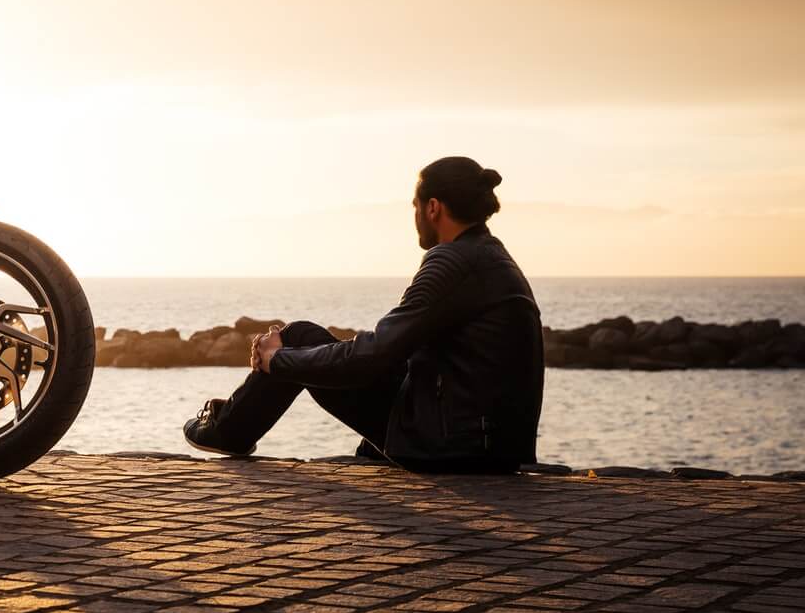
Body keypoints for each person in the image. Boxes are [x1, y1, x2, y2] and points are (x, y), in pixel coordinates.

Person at [184, 156, 544, 473]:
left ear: (433, 208)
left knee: (299, 337)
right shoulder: (492, 257)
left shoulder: (451, 261)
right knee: (385, 363)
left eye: (415, 207)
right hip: (498, 448)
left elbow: (372, 356)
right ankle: (367, 449)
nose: (415, 216)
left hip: (452, 450)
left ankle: (228, 431)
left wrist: (278, 360)